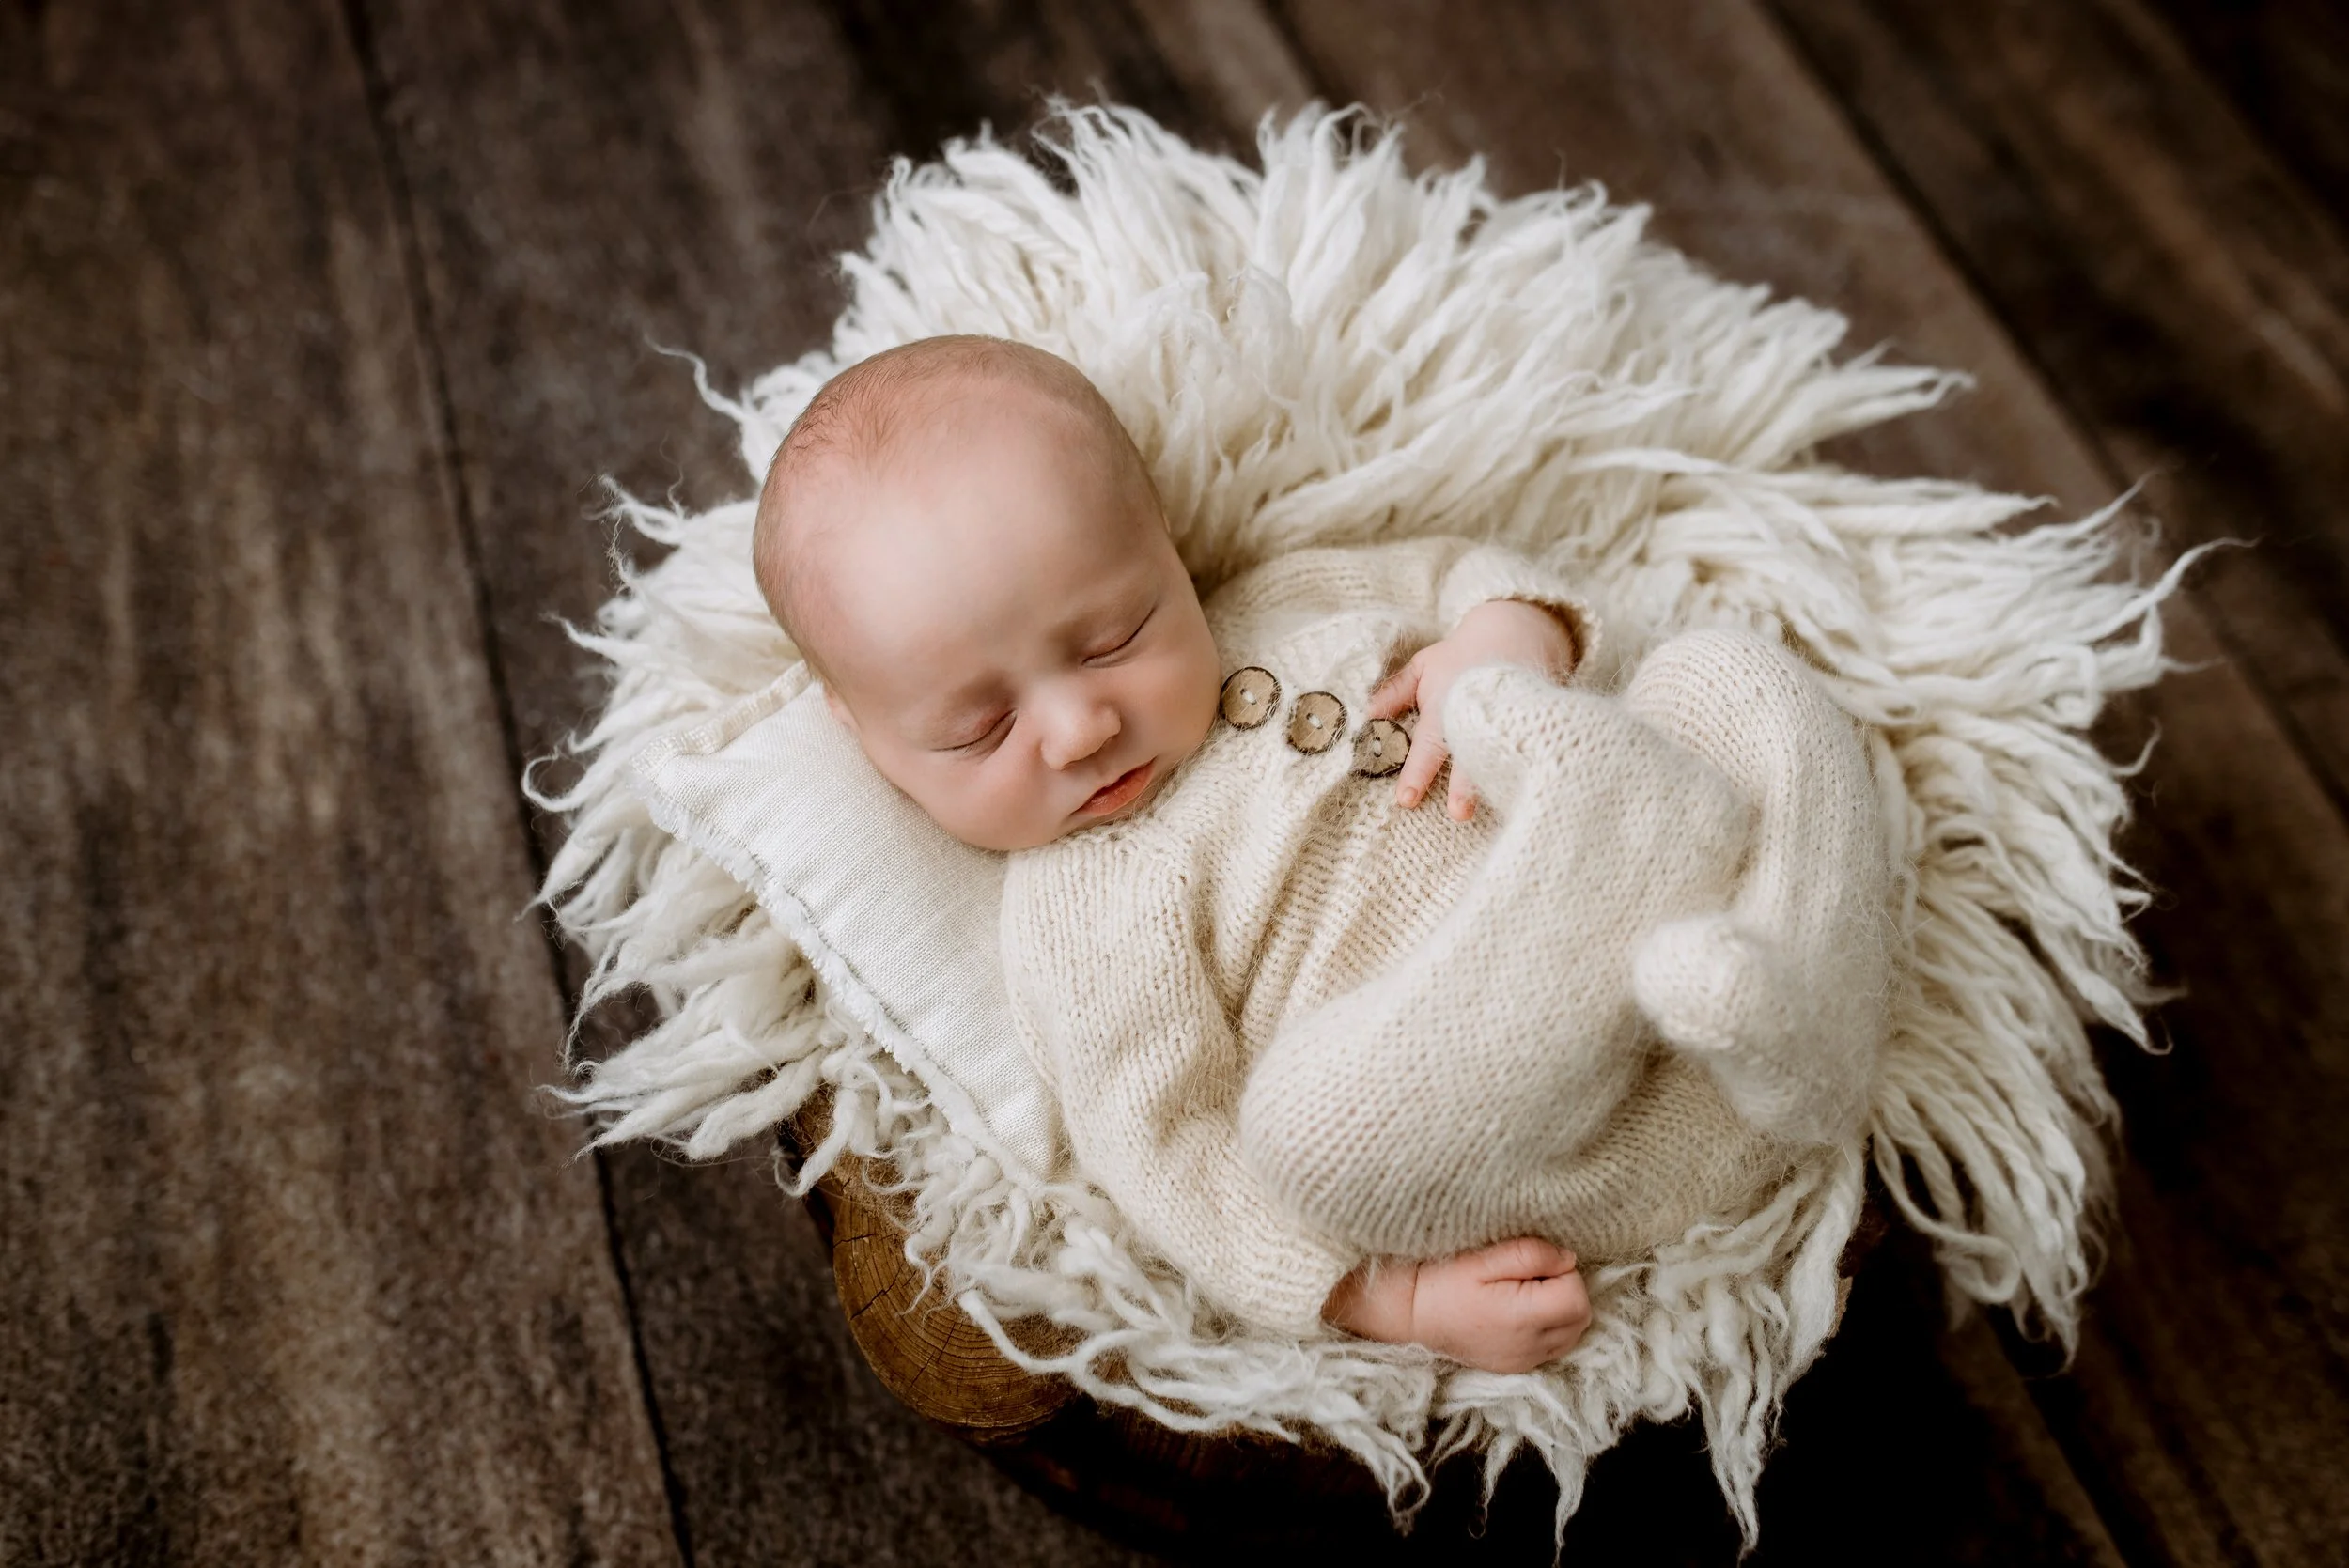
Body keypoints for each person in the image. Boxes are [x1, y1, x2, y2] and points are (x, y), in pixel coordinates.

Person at [753, 335, 1891, 1374]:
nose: (1077, 728)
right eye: (980, 730)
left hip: (1733, 982)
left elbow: (1456, 571)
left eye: (1115, 637)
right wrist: (1394, 1301)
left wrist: (1500, 634)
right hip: (1572, 1127)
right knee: (1314, 1136)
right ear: (872, 741)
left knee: (1725, 677)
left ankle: (1792, 972)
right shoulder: (1078, 911)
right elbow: (1172, 1155)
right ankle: (1635, 865)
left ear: (1161, 541)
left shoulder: (1285, 600)